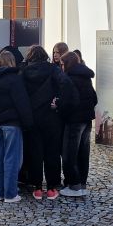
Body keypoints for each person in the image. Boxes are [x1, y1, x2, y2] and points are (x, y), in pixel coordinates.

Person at [0, 51, 33, 203]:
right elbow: (22, 103)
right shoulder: (14, 79)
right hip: (10, 124)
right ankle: (10, 194)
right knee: (11, 158)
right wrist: (28, 124)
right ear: (12, 62)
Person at [22, 45, 74, 200]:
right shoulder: (53, 69)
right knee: (52, 152)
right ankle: (51, 187)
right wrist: (58, 100)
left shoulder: (24, 72)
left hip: (33, 117)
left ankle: (37, 187)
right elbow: (67, 84)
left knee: (35, 152)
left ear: (30, 56)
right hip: (51, 118)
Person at [58, 52, 97, 197]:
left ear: (67, 63)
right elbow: (94, 98)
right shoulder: (86, 77)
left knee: (69, 153)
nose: (61, 67)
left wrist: (58, 105)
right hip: (87, 120)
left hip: (74, 121)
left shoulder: (68, 78)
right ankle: (82, 183)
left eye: (62, 64)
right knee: (83, 153)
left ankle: (74, 186)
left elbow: (68, 102)